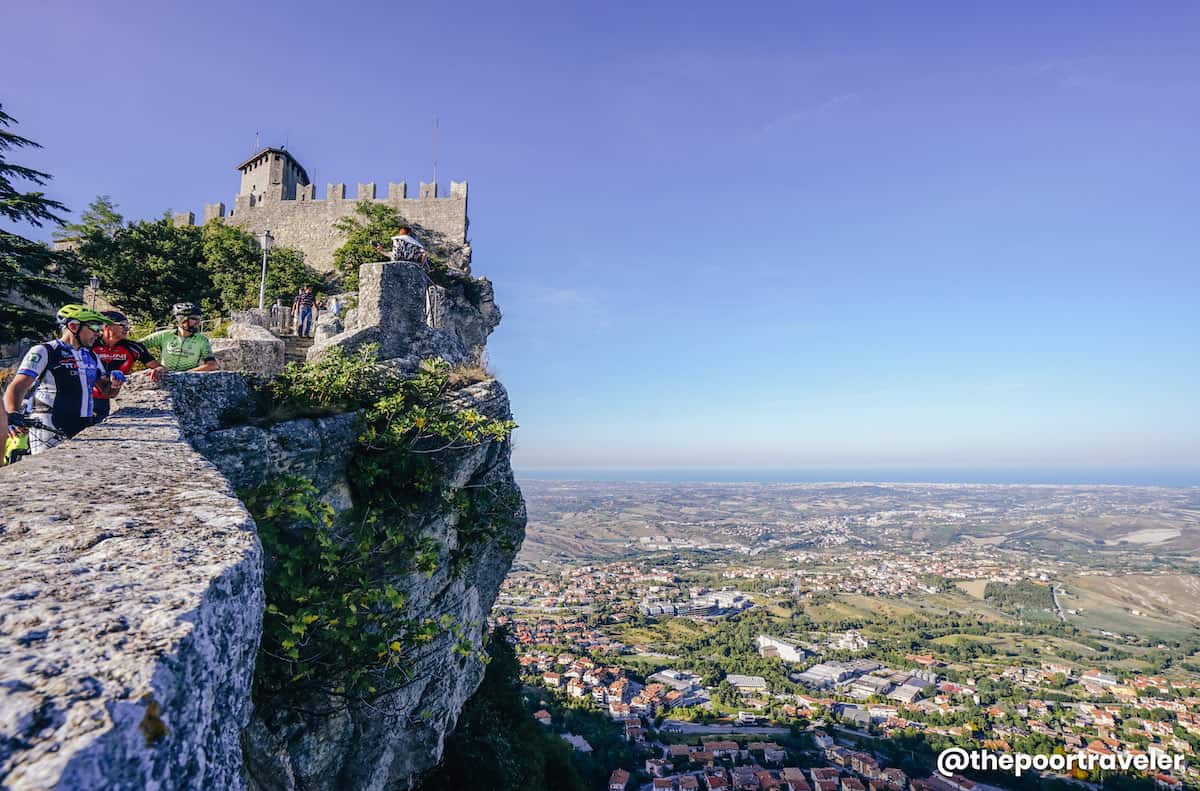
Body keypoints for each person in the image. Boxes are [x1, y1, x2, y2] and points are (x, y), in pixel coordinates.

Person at [4, 304, 118, 455]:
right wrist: (12, 415)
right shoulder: (45, 351)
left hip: (84, 424)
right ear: (73, 326)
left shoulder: (91, 356)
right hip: (48, 425)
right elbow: (18, 386)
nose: (99, 334)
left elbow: (107, 391)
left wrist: (115, 384)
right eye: (95, 328)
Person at [91, 310, 164, 421]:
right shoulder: (91, 344)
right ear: (107, 326)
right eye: (123, 325)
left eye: (128, 326)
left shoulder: (133, 347)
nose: (127, 329)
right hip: (87, 394)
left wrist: (158, 370)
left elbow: (159, 366)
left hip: (111, 396)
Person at [139, 302, 218, 372]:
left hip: (188, 379)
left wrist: (187, 374)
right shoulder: (164, 335)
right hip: (165, 376)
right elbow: (136, 346)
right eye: (194, 319)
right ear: (181, 320)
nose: (198, 323)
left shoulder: (202, 340)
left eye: (199, 319)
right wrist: (152, 363)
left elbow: (212, 364)